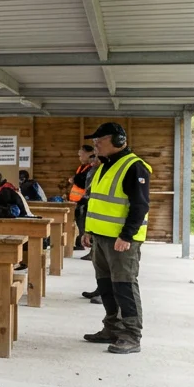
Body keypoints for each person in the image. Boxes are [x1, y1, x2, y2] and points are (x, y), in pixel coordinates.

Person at [80, 122, 151, 354]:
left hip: (121, 240)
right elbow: (98, 202)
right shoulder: (104, 166)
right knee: (106, 286)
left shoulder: (134, 167)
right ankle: (111, 328)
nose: (96, 144)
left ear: (119, 142)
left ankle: (132, 335)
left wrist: (127, 235)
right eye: (94, 141)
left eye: (100, 140)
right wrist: (89, 231)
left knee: (124, 286)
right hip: (101, 238)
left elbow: (140, 206)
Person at [68, 145, 99, 261]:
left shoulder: (94, 169)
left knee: (89, 227)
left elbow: (84, 182)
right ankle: (89, 248)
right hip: (83, 200)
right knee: (84, 227)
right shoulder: (85, 168)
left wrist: (75, 179)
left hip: (88, 200)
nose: (93, 162)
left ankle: (93, 250)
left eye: (94, 159)